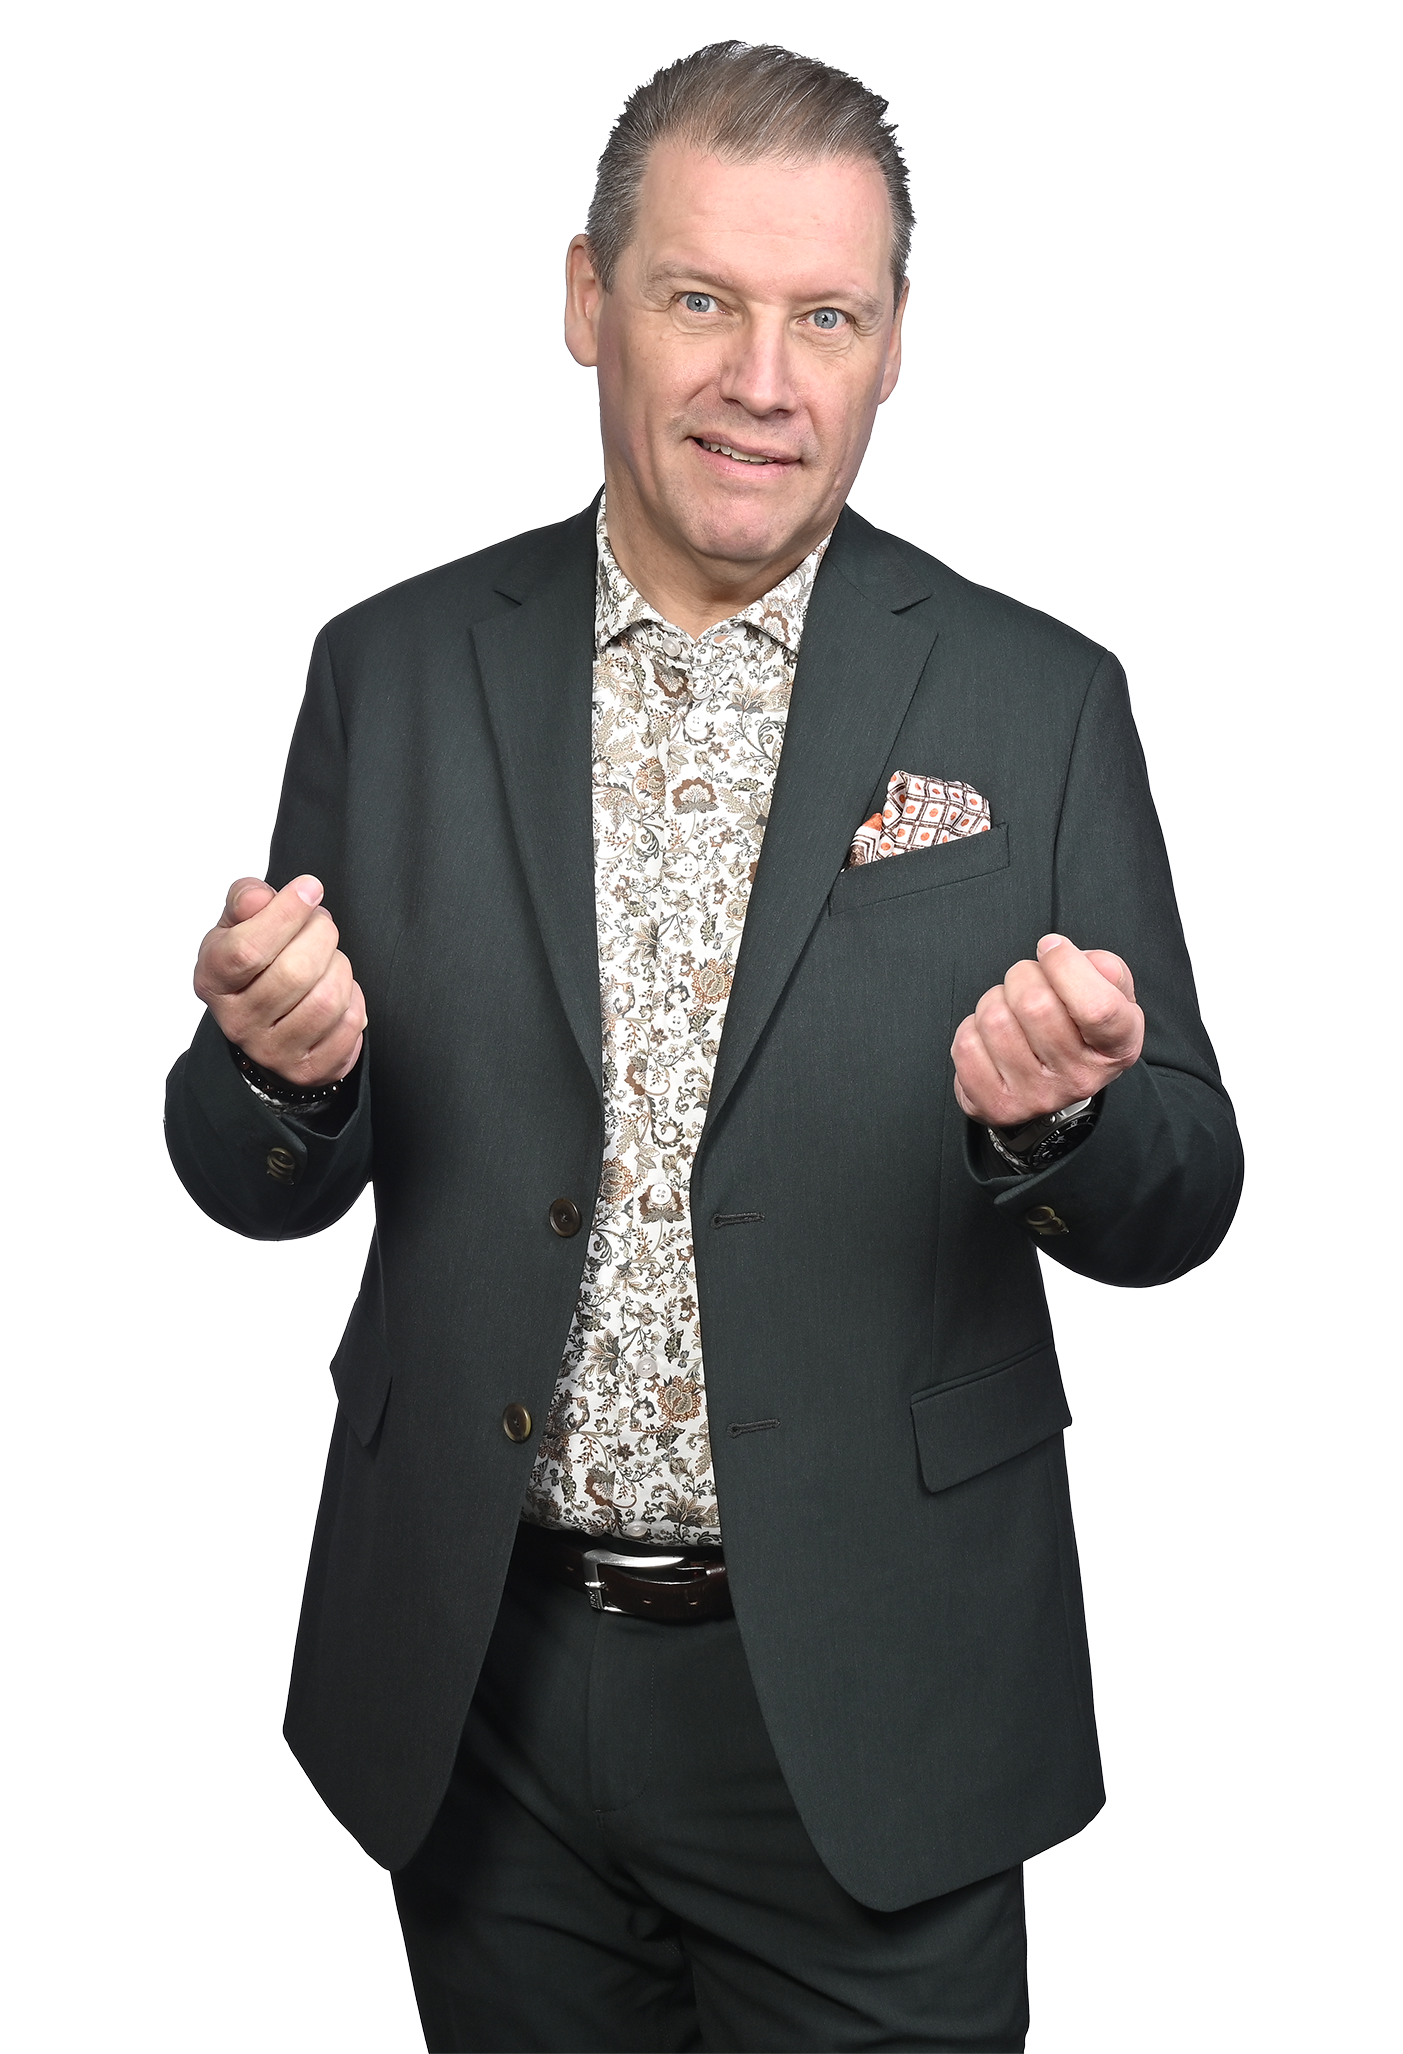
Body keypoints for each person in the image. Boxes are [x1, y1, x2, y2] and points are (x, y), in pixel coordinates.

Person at [165, 41, 1243, 2053]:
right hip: (476, 1692)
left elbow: (1181, 1195)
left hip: (872, 1691)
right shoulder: (384, 669)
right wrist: (278, 1075)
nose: (763, 379)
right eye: (699, 298)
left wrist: (1066, 1123)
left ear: (893, 343)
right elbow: (253, 1181)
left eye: (823, 315)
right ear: (586, 300)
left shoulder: (1040, 696)